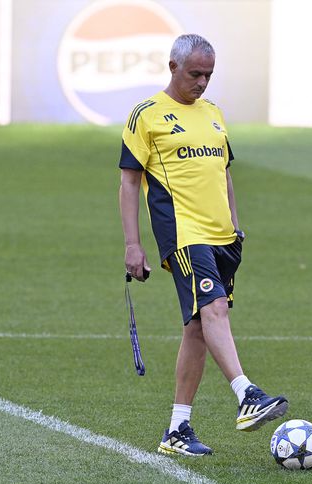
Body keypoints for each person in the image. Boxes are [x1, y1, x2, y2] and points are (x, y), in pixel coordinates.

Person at [118, 34, 288, 456]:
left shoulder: (214, 114)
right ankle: (246, 393)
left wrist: (236, 224)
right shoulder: (147, 115)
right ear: (173, 67)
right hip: (184, 234)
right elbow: (129, 180)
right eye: (196, 73)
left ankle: (177, 430)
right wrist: (132, 244)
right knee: (212, 310)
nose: (203, 82)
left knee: (197, 328)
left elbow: (223, 172)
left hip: (222, 238)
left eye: (209, 74)